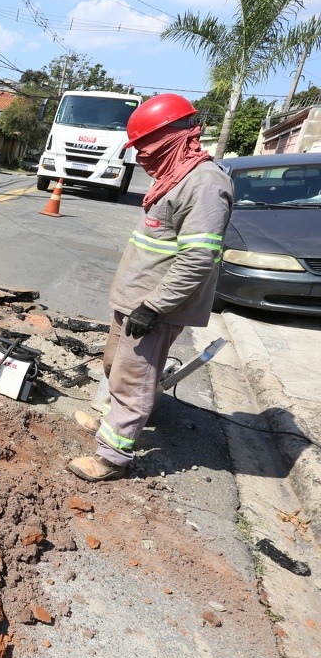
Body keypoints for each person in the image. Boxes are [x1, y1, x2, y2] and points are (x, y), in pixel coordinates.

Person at [67, 94, 233, 482]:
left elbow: (197, 259)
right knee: (114, 367)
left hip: (153, 307)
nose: (141, 155)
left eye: (146, 145)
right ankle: (112, 424)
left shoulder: (206, 185)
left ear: (173, 136)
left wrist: (154, 306)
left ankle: (111, 459)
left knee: (134, 380)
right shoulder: (176, 177)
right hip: (133, 301)